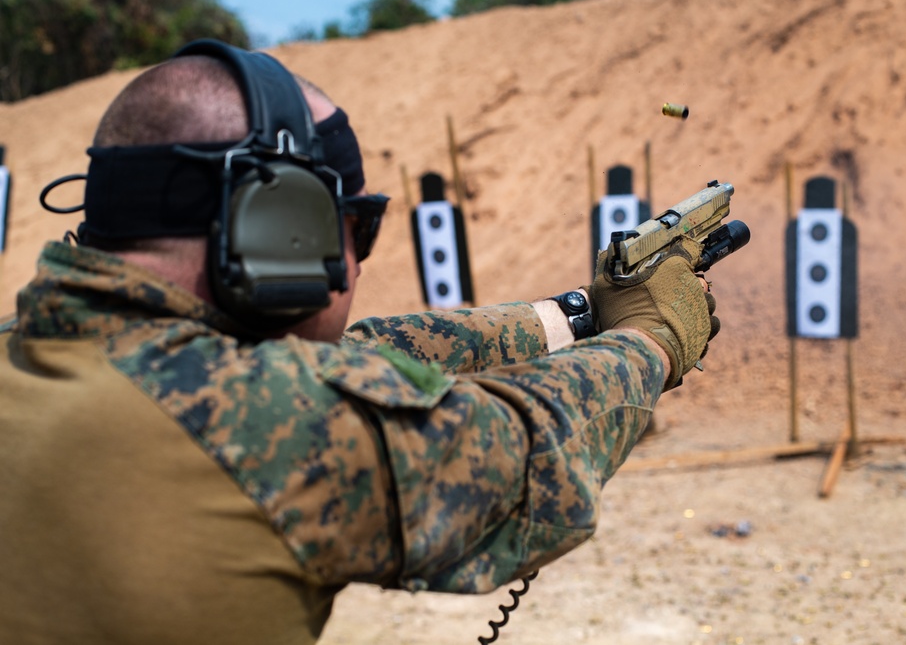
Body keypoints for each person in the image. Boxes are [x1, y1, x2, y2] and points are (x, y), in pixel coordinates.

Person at [0, 41, 719, 645]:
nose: (358, 261)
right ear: (278, 229)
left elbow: (359, 357)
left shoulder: (35, 345)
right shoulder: (262, 422)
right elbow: (531, 446)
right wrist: (653, 339)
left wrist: (578, 313)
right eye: (353, 226)